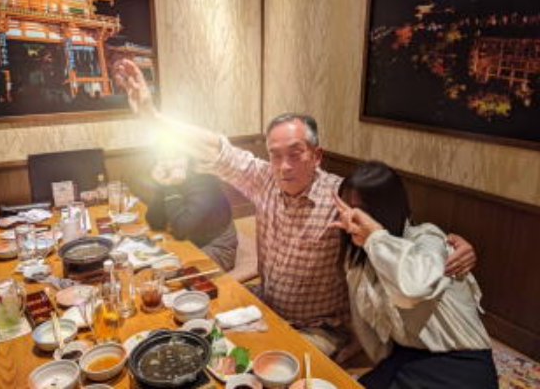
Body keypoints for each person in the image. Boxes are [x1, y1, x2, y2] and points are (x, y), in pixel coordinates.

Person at [113, 58, 477, 360]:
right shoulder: (264, 179)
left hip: (322, 327)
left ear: (316, 155)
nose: (284, 166)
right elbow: (218, 150)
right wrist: (153, 116)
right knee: (200, 335)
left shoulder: (341, 196)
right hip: (268, 303)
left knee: (269, 371)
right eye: (275, 155)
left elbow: (401, 233)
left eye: (295, 154)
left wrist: (455, 246)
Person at [331, 161, 498, 388]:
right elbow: (372, 331)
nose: (350, 220)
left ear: (385, 210)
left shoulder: (428, 239)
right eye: (347, 209)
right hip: (407, 357)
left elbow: (411, 290)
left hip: (460, 362)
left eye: (360, 211)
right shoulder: (358, 254)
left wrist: (375, 237)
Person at [144, 154, 238, 272]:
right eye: (164, 158)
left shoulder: (205, 180)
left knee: (176, 273)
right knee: (148, 263)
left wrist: (170, 187)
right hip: (188, 240)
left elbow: (181, 230)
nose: (171, 164)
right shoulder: (170, 179)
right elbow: (155, 223)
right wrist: (160, 186)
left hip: (217, 246)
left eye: (177, 157)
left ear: (189, 157)